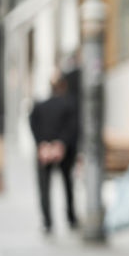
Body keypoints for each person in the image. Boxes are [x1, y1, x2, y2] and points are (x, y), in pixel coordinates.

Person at [29, 69, 79, 234]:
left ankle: (47, 222)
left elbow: (32, 120)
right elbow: (73, 127)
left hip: (46, 149)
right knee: (67, 184)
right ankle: (71, 218)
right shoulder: (69, 105)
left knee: (44, 187)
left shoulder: (41, 106)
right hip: (61, 150)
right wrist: (61, 144)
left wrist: (42, 144)